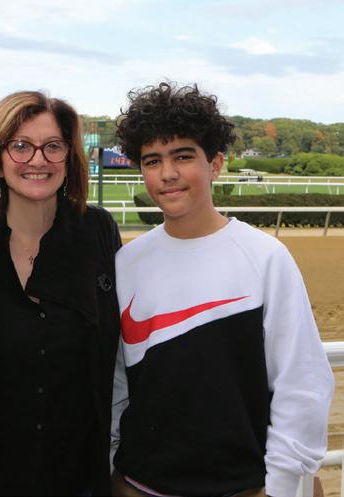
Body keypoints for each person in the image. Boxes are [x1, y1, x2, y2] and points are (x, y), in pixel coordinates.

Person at [110, 82, 334, 497]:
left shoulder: (265, 257)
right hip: (140, 484)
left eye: (183, 156)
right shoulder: (126, 263)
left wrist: (281, 485)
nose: (168, 173)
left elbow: (301, 384)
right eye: (153, 160)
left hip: (244, 486)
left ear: (215, 164)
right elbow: (117, 385)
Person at [0, 91, 122, 496]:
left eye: (52, 146)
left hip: (81, 478)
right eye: (20, 146)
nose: (38, 160)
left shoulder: (99, 232)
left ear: (69, 157)